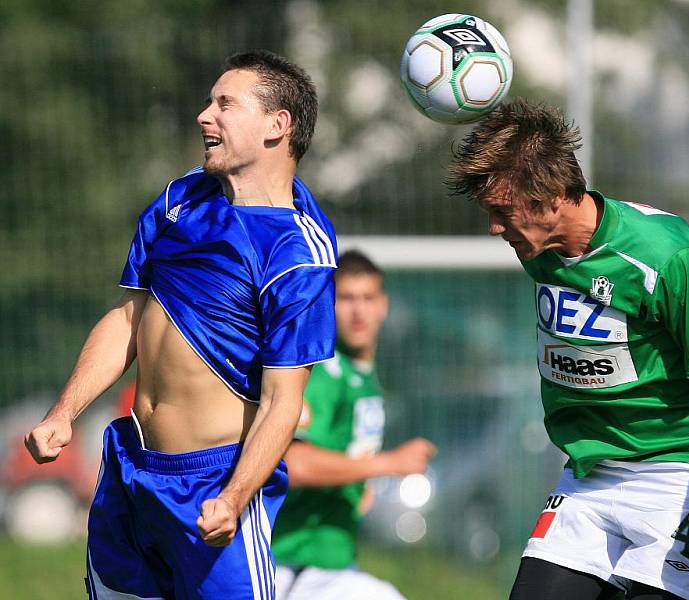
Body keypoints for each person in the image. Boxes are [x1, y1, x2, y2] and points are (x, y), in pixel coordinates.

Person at [24, 50, 336, 599]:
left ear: (276, 125)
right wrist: (62, 414)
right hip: (131, 470)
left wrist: (235, 498)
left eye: (225, 104)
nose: (204, 116)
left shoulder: (298, 252)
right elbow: (128, 318)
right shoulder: (179, 199)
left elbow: (283, 402)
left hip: (212, 486)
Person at [447, 99, 689, 600]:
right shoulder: (537, 247)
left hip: (683, 479)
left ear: (552, 197)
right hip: (592, 476)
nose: (494, 226)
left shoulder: (667, 255)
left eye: (502, 211)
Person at [272, 250, 437, 600]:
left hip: (331, 564)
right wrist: (387, 464)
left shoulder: (364, 378)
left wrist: (360, 482)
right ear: (328, 305)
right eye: (345, 298)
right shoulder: (324, 372)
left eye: (367, 298)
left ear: (384, 304)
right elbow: (292, 462)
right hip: (295, 564)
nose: (358, 310)